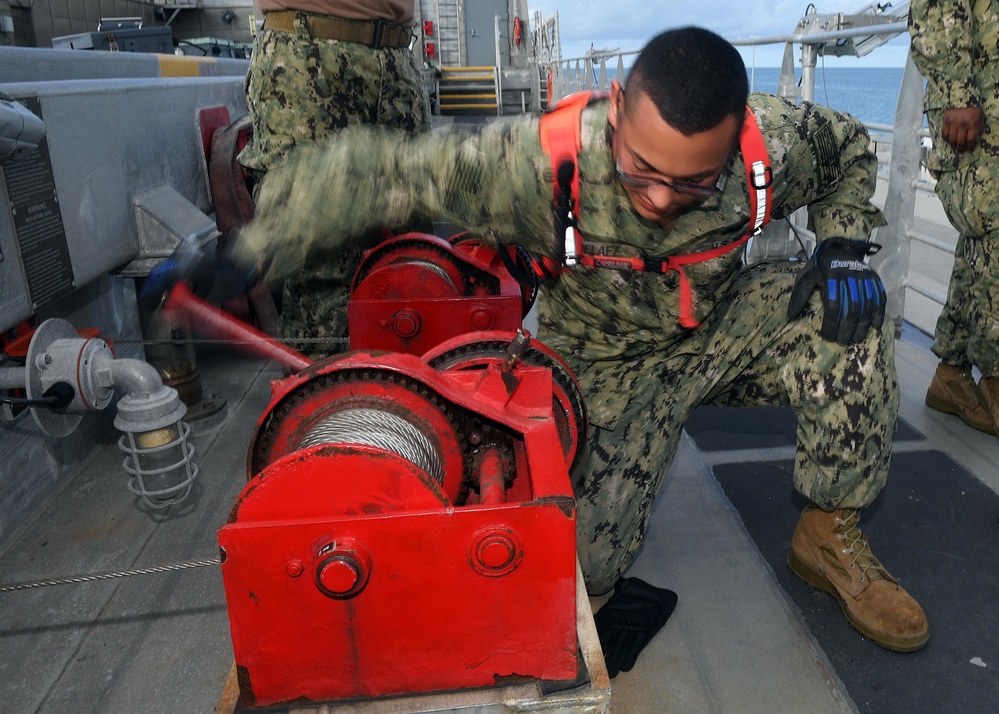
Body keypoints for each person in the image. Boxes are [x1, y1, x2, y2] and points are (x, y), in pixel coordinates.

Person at [234, 27, 929, 653]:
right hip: (607, 367)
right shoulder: (534, 167)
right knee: (586, 569)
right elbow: (378, 168)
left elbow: (846, 148)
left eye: (692, 183)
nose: (658, 200)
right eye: (642, 172)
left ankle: (826, 532)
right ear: (618, 106)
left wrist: (840, 244)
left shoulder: (770, 146)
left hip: (719, 330)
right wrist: (247, 247)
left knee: (850, 317)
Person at [238, 0, 432, 355]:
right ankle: (330, 408)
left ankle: (413, 406)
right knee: (321, 275)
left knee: (418, 266)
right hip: (309, 56)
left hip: (398, 60)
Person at [909, 1, 999, 435]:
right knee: (994, 234)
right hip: (978, 109)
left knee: (983, 238)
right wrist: (957, 94)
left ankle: (952, 375)